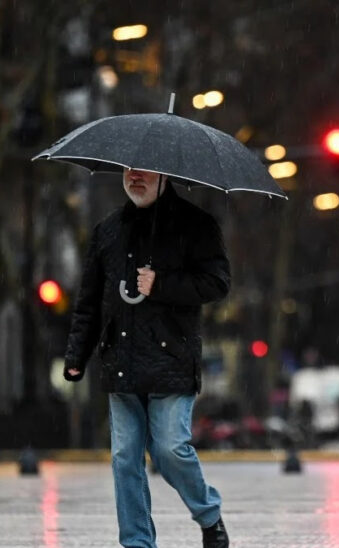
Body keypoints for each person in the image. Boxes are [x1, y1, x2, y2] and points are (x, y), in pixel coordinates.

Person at [64, 168, 231, 548]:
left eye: (144, 171)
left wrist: (163, 284)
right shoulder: (108, 230)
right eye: (128, 170)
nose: (134, 177)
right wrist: (77, 353)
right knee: (125, 459)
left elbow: (218, 282)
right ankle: (137, 542)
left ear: (166, 175)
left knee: (170, 449)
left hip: (170, 359)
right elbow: (89, 301)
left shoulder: (196, 225)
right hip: (119, 361)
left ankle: (208, 515)